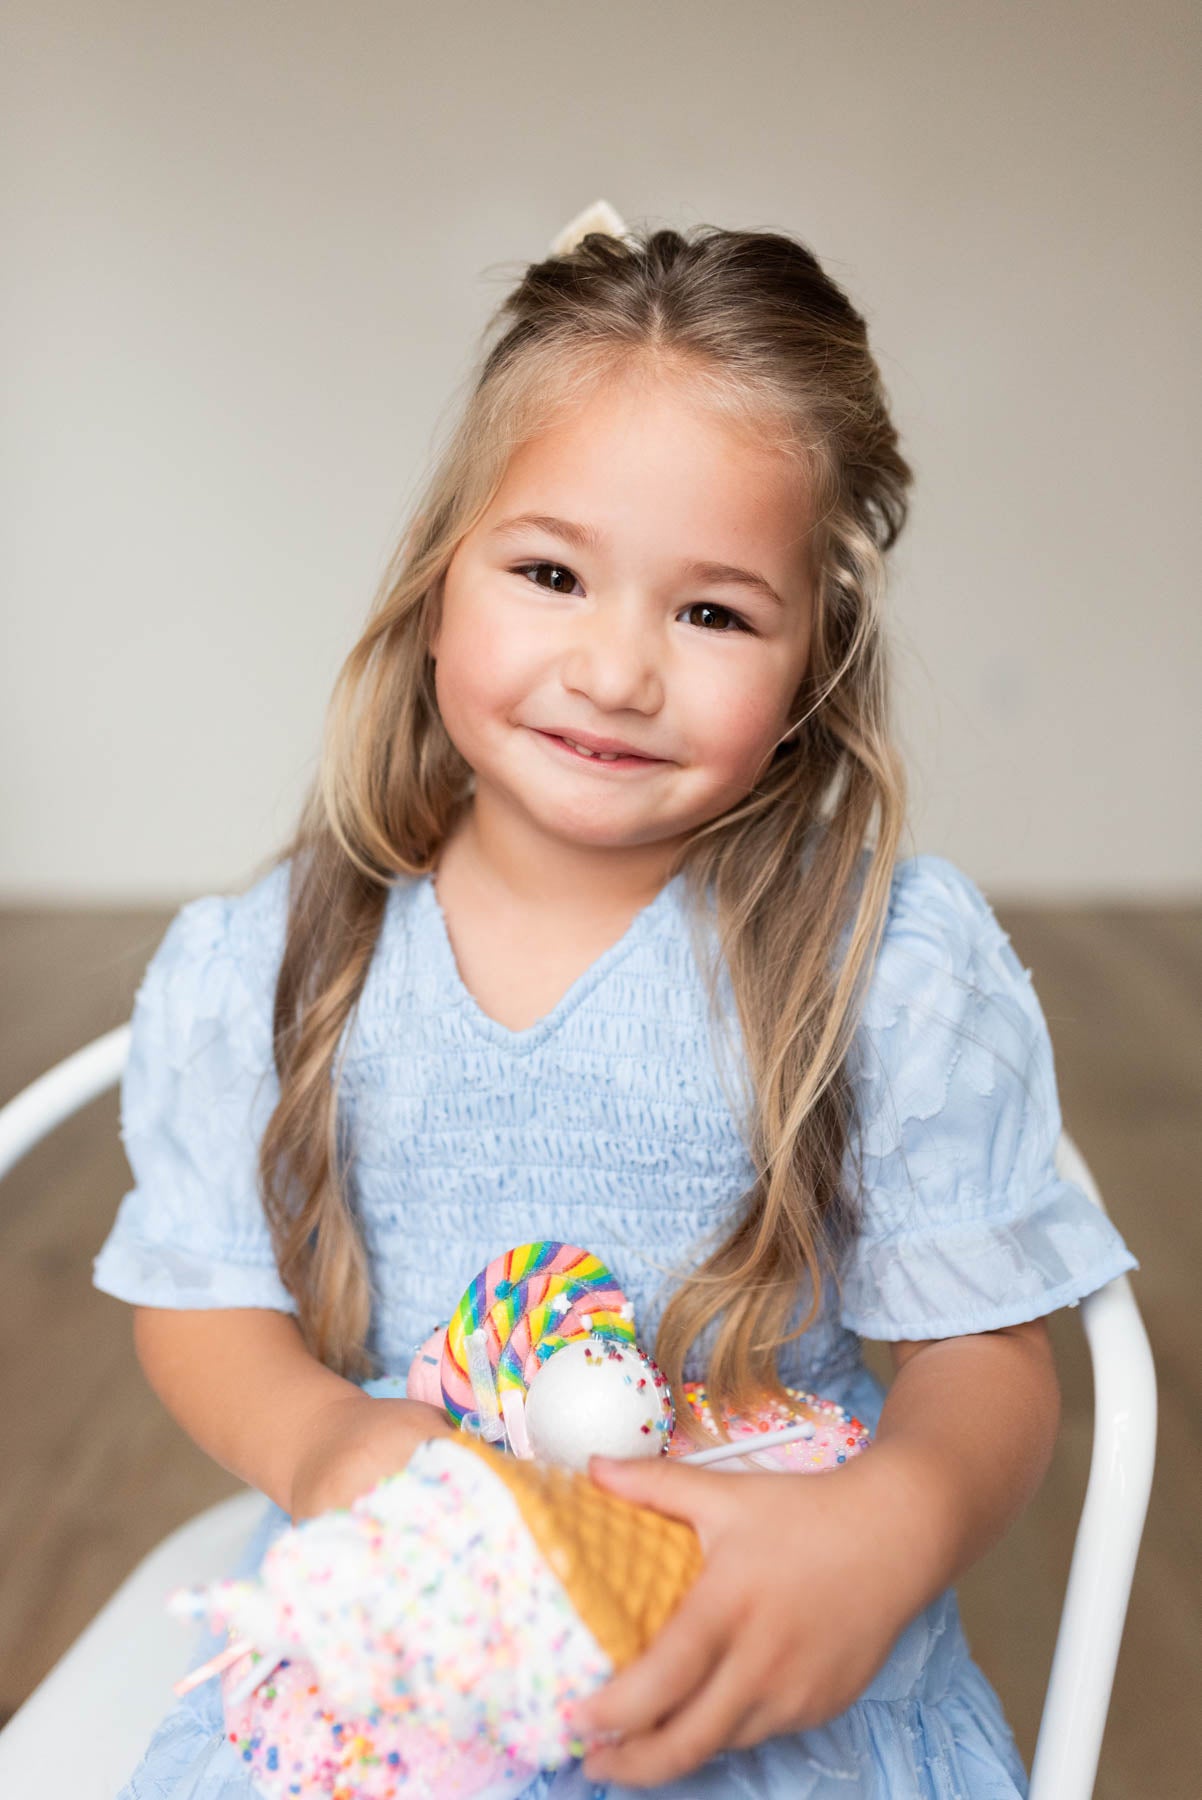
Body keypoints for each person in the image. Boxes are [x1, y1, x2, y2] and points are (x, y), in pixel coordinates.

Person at [93, 203, 1140, 1800]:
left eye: (710, 611)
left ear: (810, 663)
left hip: (751, 1629)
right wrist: (320, 1445)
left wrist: (890, 1527)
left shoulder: (877, 967)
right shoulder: (277, 963)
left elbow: (985, 1354)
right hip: (417, 1621)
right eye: (550, 573)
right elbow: (205, 1293)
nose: (616, 669)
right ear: (442, 580)